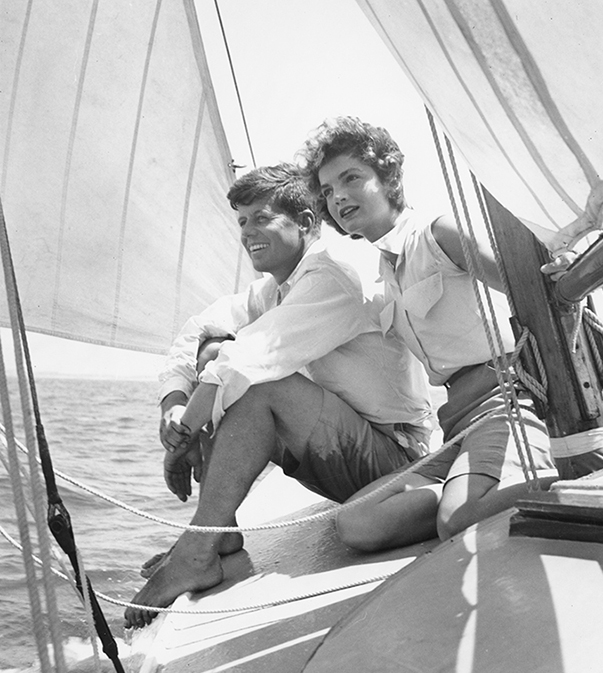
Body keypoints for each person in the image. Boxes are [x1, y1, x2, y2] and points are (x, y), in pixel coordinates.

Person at [124, 162, 432, 628]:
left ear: (305, 222)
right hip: (345, 457)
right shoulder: (273, 290)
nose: (247, 232)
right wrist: (173, 403)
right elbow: (197, 332)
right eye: (242, 221)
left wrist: (183, 435)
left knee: (258, 382)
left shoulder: (332, 277)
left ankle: (197, 551)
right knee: (212, 350)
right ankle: (218, 534)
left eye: (261, 218)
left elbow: (249, 359)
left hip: (395, 462)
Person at [298, 116, 557, 551]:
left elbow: (533, 283)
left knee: (458, 522)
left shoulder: (438, 234)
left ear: (389, 179)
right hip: (456, 419)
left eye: (351, 178)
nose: (337, 196)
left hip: (506, 401)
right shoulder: (384, 272)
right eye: (327, 191)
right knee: (357, 523)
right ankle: (466, 493)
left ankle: (567, 472)